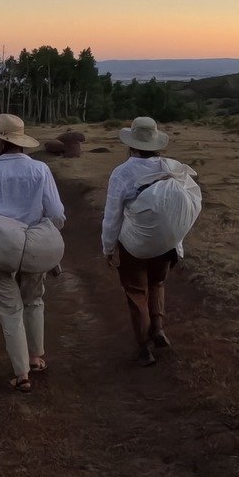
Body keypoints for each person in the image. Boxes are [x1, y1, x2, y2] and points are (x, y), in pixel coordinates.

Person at [0, 113, 66, 392]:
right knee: (34, 300)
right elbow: (56, 213)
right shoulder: (40, 170)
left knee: (9, 309)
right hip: (33, 243)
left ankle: (21, 374)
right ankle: (37, 357)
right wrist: (48, 240)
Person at [101, 116, 198, 366]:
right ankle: (158, 330)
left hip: (134, 245)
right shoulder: (172, 167)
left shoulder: (122, 173)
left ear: (131, 144)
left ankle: (144, 348)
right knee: (158, 283)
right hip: (166, 244)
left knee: (136, 292)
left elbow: (112, 215)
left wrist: (108, 247)